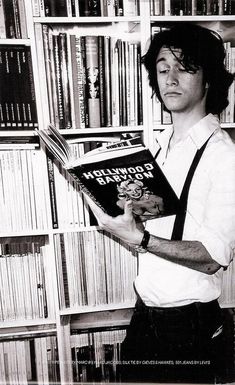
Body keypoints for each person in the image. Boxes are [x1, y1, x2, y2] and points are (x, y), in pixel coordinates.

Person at [84, 23, 235, 383]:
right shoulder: (157, 147)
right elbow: (151, 226)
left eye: (184, 68)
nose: (171, 78)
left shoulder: (224, 156)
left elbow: (214, 257)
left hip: (191, 329)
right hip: (145, 320)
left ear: (209, 79)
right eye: (163, 68)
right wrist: (117, 215)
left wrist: (141, 240)